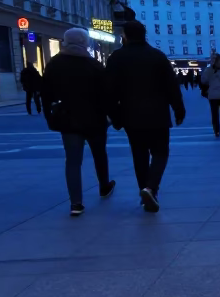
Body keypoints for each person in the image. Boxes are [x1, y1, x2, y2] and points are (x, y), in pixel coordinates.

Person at [106, 21, 185, 213]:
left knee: (139, 155)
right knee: (160, 153)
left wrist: (115, 117)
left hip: (131, 116)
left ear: (125, 35)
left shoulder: (117, 58)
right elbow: (171, 86)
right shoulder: (157, 56)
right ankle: (151, 188)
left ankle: (145, 190)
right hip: (158, 114)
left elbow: (109, 91)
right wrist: (178, 109)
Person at [42, 28, 116, 216]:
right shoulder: (94, 65)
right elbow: (106, 95)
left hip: (67, 118)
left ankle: (76, 203)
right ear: (85, 42)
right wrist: (111, 116)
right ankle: (104, 186)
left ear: (66, 42)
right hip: (95, 119)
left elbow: (46, 93)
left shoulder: (54, 64)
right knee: (100, 154)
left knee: (73, 161)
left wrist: (50, 117)